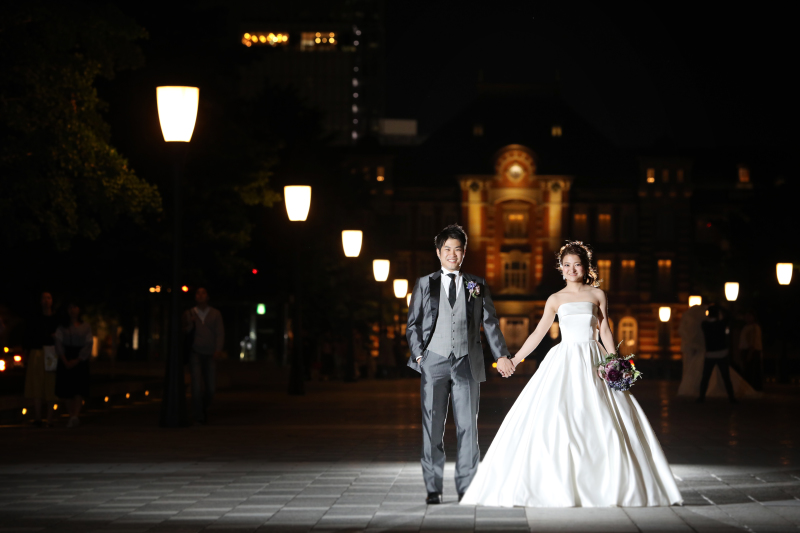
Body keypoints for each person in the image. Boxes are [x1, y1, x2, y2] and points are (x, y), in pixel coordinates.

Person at [460, 241, 682, 507]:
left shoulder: (597, 295)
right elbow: (538, 333)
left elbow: (605, 330)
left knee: (602, 413)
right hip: (564, 358)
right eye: (566, 265)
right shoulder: (555, 299)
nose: (571, 269)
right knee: (559, 414)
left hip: (594, 358)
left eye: (577, 265)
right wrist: (515, 359)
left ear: (585, 267)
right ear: (561, 268)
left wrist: (615, 361)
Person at [406, 224, 513, 505]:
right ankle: (433, 488)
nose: (452, 254)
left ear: (464, 253)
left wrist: (501, 354)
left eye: (458, 249)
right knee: (432, 426)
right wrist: (420, 356)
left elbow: (490, 322)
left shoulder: (476, 284)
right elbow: (413, 324)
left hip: (467, 361)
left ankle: (467, 487)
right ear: (438, 252)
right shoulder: (424, 283)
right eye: (447, 249)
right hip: (434, 362)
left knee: (468, 427)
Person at [183, 287, 224, 424]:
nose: (200, 296)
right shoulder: (189, 313)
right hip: (195, 352)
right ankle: (198, 414)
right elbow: (184, 331)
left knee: (211, 388)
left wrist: (218, 349)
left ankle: (203, 407)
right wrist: (190, 323)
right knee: (196, 385)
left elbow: (220, 333)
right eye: (198, 293)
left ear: (207, 297)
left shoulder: (215, 314)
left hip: (210, 354)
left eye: (203, 293)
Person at [23, 292, 59, 427]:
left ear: (52, 301)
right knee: (37, 383)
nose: (46, 301)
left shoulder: (56, 318)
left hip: (51, 352)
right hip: (37, 352)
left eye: (48, 298)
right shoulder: (34, 318)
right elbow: (28, 336)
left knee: (51, 383)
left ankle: (49, 418)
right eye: (43, 298)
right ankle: (38, 417)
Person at [55, 300, 93, 428]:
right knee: (67, 389)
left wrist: (78, 359)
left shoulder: (86, 326)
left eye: (75, 307)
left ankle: (75, 415)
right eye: (70, 307)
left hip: (80, 359)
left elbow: (88, 344)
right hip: (66, 356)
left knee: (78, 389)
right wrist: (65, 360)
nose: (72, 310)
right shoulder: (62, 327)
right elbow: (58, 343)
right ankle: (71, 415)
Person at [697, 304, 737, 404]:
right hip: (722, 354)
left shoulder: (705, 325)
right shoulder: (721, 324)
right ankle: (731, 398)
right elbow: (730, 315)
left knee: (705, 377)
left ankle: (701, 397)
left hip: (710, 355)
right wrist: (720, 307)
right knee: (726, 377)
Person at [740, 311, 763, 391]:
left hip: (752, 351)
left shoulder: (754, 327)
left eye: (749, 316)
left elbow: (753, 341)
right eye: (746, 316)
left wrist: (750, 353)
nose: (747, 318)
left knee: (752, 371)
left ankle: (753, 388)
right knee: (748, 371)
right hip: (747, 350)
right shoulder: (746, 327)